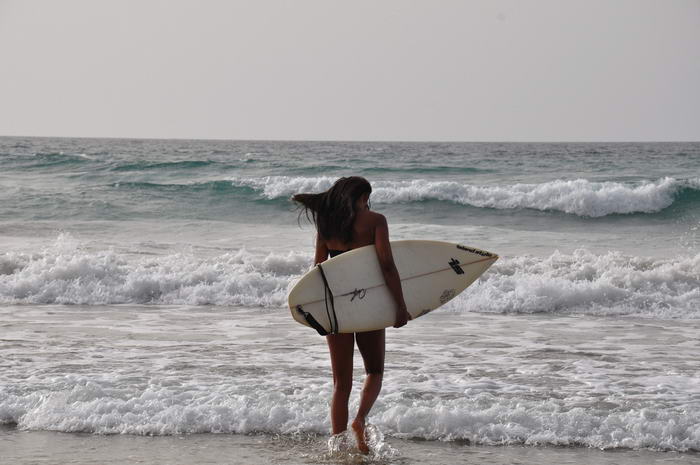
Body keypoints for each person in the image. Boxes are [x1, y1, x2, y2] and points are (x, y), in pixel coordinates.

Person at [292, 176, 410, 454]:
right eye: (366, 199)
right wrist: (400, 306)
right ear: (359, 198)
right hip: (367, 304)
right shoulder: (376, 221)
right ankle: (359, 420)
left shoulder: (326, 225)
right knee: (374, 370)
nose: (368, 204)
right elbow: (387, 265)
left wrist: (319, 311)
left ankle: (337, 447)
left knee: (340, 383)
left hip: (336, 307)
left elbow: (318, 269)